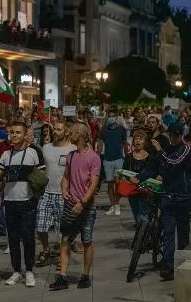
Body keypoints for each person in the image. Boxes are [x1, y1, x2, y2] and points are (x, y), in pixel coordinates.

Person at [131, 123, 191, 280]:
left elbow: (174, 162)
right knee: (167, 233)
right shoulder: (165, 152)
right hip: (168, 197)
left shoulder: (186, 149)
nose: (173, 138)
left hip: (183, 197)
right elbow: (152, 168)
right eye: (171, 135)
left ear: (181, 135)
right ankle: (167, 265)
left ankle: (183, 263)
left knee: (183, 232)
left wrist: (160, 151)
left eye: (176, 135)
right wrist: (138, 177)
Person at [0, 122, 45, 287]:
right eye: (12, 132)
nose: (14, 135)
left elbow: (42, 176)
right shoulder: (5, 155)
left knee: (28, 238)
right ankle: (17, 271)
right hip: (10, 202)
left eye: (18, 132)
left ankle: (30, 271)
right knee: (12, 239)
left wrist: (38, 194)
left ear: (25, 135)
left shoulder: (34, 153)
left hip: (28, 202)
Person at [49, 122, 100, 291]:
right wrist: (64, 189)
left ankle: (85, 275)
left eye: (73, 132)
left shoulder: (94, 157)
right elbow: (66, 176)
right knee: (65, 240)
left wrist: (83, 202)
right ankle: (62, 276)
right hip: (71, 205)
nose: (70, 134)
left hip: (87, 207)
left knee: (86, 240)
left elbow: (93, 184)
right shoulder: (70, 156)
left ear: (82, 135)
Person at [35, 121, 75, 268]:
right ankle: (46, 249)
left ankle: (62, 254)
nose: (55, 132)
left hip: (64, 194)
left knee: (63, 228)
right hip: (46, 192)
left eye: (59, 129)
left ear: (66, 132)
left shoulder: (73, 149)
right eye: (54, 129)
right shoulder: (46, 148)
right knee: (40, 225)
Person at [97, 107, 127, 216]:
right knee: (110, 184)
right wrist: (97, 156)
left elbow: (125, 143)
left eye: (113, 116)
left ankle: (117, 204)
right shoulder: (104, 129)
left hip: (119, 159)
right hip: (107, 159)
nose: (111, 118)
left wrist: (127, 156)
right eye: (109, 116)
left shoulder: (122, 129)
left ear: (117, 117)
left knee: (118, 183)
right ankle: (112, 205)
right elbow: (100, 143)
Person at [118, 130, 152, 224]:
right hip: (132, 190)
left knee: (144, 215)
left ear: (145, 142)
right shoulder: (128, 157)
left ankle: (144, 235)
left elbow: (151, 173)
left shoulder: (150, 157)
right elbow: (124, 171)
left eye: (141, 139)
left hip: (145, 190)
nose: (138, 141)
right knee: (137, 215)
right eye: (136, 138)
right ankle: (141, 232)